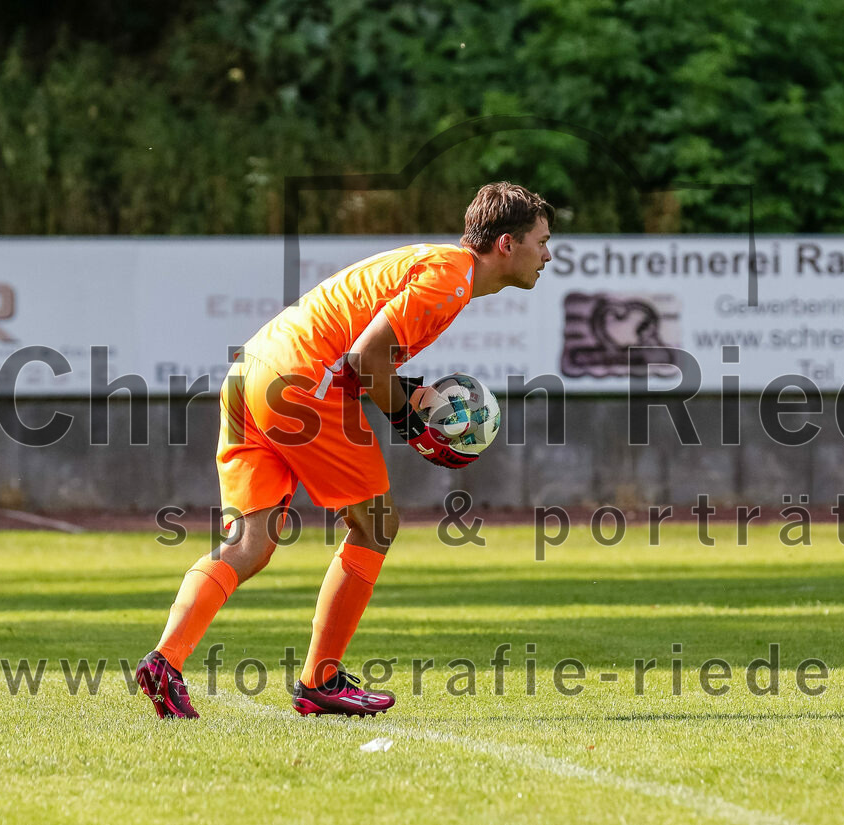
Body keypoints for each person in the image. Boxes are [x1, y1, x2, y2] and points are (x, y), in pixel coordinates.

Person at [135, 182, 554, 719]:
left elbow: (367, 356)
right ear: (504, 244)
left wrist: (414, 397)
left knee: (250, 542)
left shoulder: (437, 264)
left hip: (251, 371)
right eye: (540, 241)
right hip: (301, 380)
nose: (547, 255)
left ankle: (165, 661)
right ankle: (321, 680)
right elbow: (363, 359)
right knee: (377, 523)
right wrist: (412, 423)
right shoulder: (450, 278)